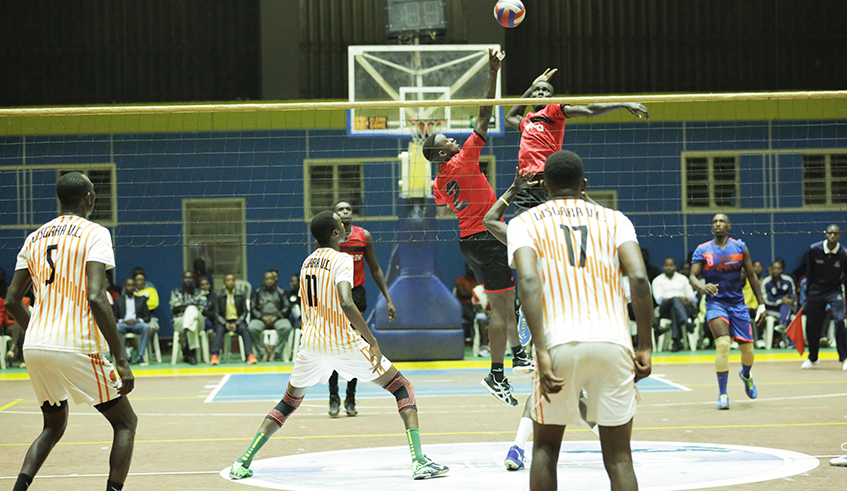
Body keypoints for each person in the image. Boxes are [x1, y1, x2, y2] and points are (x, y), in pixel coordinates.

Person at [228, 210, 448, 481]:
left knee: (288, 402)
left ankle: (243, 461)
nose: (345, 226)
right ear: (334, 234)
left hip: (309, 345)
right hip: (342, 342)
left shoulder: (307, 262)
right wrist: (372, 340)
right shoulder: (342, 259)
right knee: (402, 387)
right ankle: (419, 462)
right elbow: (346, 301)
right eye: (340, 224)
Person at [507, 150, 653, 491]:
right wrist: (645, 343)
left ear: (543, 187)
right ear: (584, 184)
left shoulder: (524, 223)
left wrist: (540, 350)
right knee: (619, 457)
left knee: (544, 448)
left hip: (559, 344)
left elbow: (528, 281)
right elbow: (640, 279)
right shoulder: (616, 219)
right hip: (614, 344)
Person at [4, 171, 137, 491]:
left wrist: (35, 329)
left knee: (52, 426)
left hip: (34, 346)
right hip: (76, 344)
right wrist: (120, 358)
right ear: (89, 198)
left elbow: (11, 299)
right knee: (125, 423)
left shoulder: (34, 237)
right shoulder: (95, 233)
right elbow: (95, 296)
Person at [424, 48, 529, 406]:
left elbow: (440, 203)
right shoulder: (463, 159)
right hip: (485, 237)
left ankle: (520, 355)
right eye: (446, 142)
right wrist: (493, 71)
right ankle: (496, 375)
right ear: (442, 154)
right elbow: (485, 114)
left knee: (507, 301)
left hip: (469, 241)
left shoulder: (439, 182)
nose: (454, 140)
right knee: (502, 308)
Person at [504, 68, 648, 213]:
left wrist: (623, 103)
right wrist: (532, 86)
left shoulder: (553, 111)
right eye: (537, 90)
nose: (540, 92)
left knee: (552, 229)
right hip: (525, 185)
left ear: (551, 97)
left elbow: (589, 110)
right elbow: (510, 116)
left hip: (546, 182)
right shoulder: (527, 122)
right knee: (522, 230)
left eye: (545, 90)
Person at [326, 199, 398, 417]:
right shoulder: (329, 238)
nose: (345, 211)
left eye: (348, 209)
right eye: (340, 209)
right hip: (334, 295)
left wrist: (389, 298)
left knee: (355, 346)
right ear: (335, 216)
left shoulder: (363, 236)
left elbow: (375, 269)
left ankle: (350, 397)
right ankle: (333, 397)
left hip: (356, 295)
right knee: (333, 347)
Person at [689, 214, 766, 409]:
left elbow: (751, 276)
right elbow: (692, 277)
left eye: (722, 221)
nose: (718, 224)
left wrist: (762, 304)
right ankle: (723, 394)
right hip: (716, 303)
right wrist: (702, 287)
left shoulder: (740, 247)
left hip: (738, 304)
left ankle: (746, 375)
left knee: (747, 350)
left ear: (729, 226)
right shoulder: (703, 250)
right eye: (715, 221)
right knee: (723, 344)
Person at [801, 225, 847, 370]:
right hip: (816, 290)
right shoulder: (814, 249)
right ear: (825, 234)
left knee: (840, 320)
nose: (832, 235)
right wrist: (807, 295)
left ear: (839, 236)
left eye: (836, 233)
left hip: (834, 291)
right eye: (830, 233)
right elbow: (809, 273)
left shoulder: (844, 254)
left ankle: (844, 358)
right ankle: (812, 358)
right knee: (812, 324)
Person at [209, 274, 257, 365]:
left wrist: (237, 323)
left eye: (232, 280)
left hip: (238, 322)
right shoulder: (219, 295)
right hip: (223, 322)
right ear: (224, 282)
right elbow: (216, 313)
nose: (230, 282)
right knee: (218, 331)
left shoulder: (241, 294)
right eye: (228, 280)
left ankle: (250, 355)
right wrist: (224, 323)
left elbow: (245, 311)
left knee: (245, 330)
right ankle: (215, 356)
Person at [651, 258, 697, 352]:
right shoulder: (657, 280)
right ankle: (686, 323)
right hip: (664, 309)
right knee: (675, 301)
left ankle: (675, 342)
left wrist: (685, 300)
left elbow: (693, 298)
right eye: (667, 265)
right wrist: (676, 299)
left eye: (671, 265)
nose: (669, 268)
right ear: (663, 267)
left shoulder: (683, 279)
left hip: (682, 308)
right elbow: (659, 300)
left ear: (674, 267)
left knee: (674, 310)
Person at [249, 271, 293, 362]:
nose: (269, 281)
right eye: (267, 279)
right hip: (261, 319)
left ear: (275, 280)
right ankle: (263, 352)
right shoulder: (257, 292)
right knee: (252, 327)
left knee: (286, 327)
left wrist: (277, 316)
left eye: (271, 279)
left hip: (278, 319)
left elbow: (287, 307)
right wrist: (261, 317)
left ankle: (276, 352)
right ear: (263, 281)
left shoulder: (281, 292)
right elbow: (252, 308)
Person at [170, 271, 207, 365]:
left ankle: (186, 332)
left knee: (192, 310)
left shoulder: (200, 292)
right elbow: (175, 308)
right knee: (192, 322)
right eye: (186, 278)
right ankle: (192, 353)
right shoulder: (176, 292)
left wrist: (187, 307)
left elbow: (202, 307)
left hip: (199, 321)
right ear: (182, 279)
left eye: (190, 278)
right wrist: (192, 305)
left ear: (193, 280)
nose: (188, 280)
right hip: (180, 321)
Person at [113, 278, 152, 365]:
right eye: (128, 285)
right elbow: (114, 317)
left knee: (146, 327)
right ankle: (124, 356)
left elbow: (147, 317)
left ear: (135, 287)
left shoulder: (142, 299)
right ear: (124, 287)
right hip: (123, 324)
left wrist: (138, 320)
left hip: (137, 324)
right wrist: (122, 321)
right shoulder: (118, 300)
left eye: (132, 285)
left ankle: (141, 355)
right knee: (115, 328)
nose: (130, 287)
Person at [761, 260, 796, 339]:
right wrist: (781, 300)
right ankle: (789, 342)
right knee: (787, 315)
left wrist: (790, 300)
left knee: (786, 307)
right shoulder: (766, 282)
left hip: (788, 308)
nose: (776, 271)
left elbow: (793, 295)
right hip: (772, 310)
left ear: (782, 270)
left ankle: (782, 325)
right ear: (771, 269)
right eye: (774, 268)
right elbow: (766, 300)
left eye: (778, 269)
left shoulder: (788, 280)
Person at [455, 264, 479, 344]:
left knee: (482, 316)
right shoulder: (460, 280)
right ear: (465, 268)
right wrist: (476, 293)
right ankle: (473, 338)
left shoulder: (479, 281)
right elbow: (463, 294)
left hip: (477, 305)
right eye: (469, 266)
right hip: (464, 306)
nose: (470, 269)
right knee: (474, 317)